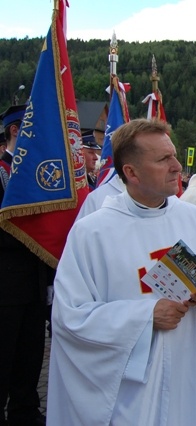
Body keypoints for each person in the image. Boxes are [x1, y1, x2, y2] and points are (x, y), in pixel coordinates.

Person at [47, 119, 196, 425]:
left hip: (190, 379)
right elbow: (70, 318)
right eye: (163, 159)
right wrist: (146, 316)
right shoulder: (92, 233)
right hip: (129, 393)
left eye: (173, 155)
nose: (177, 167)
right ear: (131, 173)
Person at [0, 104, 50, 426]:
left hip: (35, 282)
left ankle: (25, 412)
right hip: (4, 286)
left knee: (30, 357)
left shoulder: (39, 175)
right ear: (16, 132)